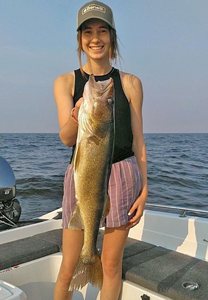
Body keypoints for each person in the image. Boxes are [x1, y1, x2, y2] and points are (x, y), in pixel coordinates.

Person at [53, 1, 148, 299]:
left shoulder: (130, 83)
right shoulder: (66, 82)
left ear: (112, 37)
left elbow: (138, 142)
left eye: (103, 30)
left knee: (110, 265)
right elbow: (67, 140)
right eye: (88, 32)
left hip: (123, 173)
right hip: (83, 174)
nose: (96, 38)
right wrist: (76, 115)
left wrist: (145, 191)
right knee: (68, 266)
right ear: (80, 40)